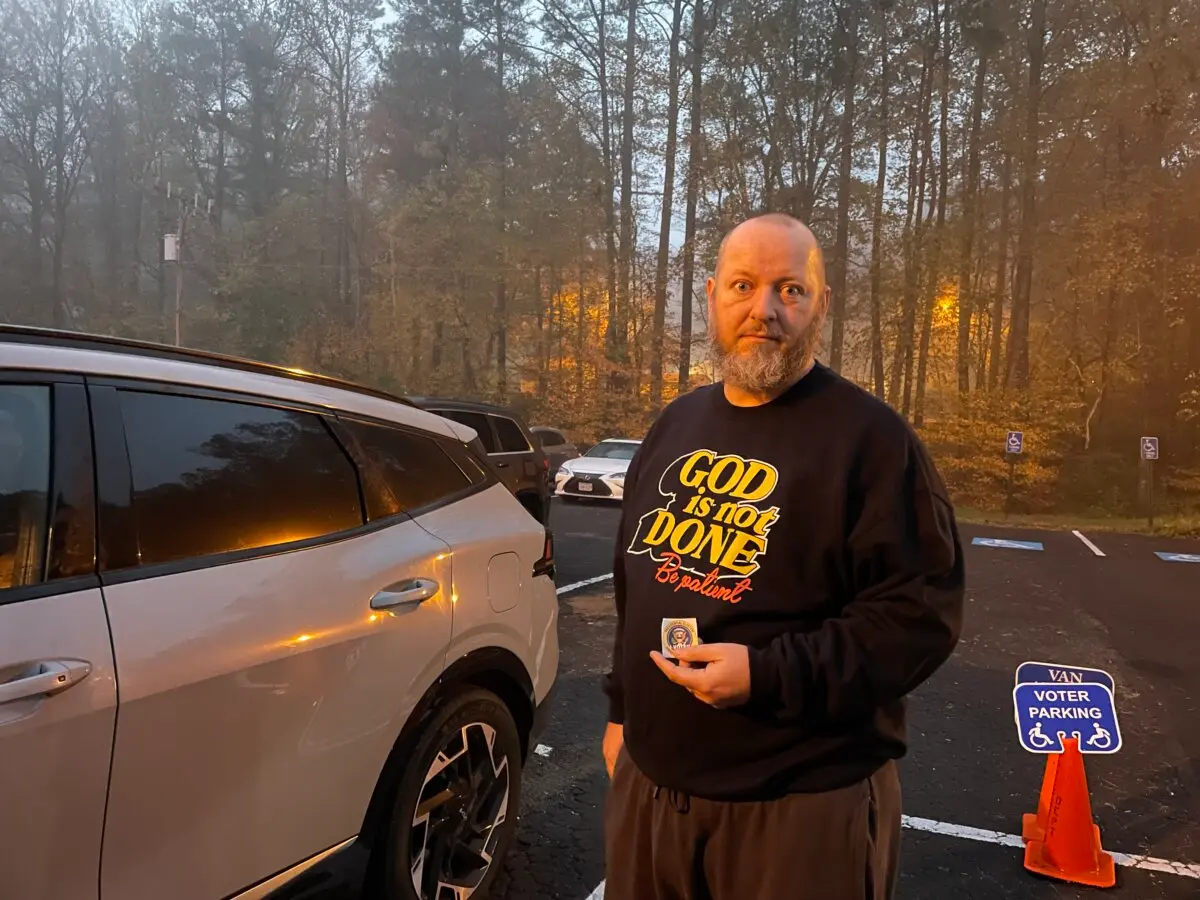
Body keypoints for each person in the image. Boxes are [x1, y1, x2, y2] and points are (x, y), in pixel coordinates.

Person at [601, 213, 965, 900]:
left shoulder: (872, 441)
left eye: (790, 289)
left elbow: (919, 617)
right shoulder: (676, 424)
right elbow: (633, 581)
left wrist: (769, 675)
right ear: (711, 295)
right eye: (743, 285)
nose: (764, 309)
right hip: (653, 793)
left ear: (821, 305)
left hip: (801, 802)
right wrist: (622, 714)